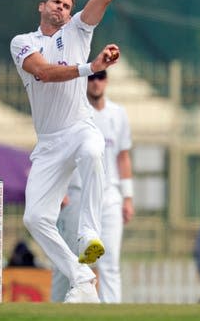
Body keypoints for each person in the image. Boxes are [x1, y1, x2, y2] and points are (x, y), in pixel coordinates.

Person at [9, 0, 119, 303]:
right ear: (42, 6)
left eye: (67, 4)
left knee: (93, 149)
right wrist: (91, 68)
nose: (61, 8)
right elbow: (43, 73)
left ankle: (89, 234)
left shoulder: (79, 29)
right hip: (50, 142)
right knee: (35, 218)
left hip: (79, 127)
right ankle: (82, 280)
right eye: (55, 2)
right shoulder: (23, 42)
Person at [51, 69, 134, 303]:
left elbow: (123, 156)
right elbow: (58, 153)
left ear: (106, 80)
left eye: (100, 77)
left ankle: (110, 313)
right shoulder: (72, 113)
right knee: (68, 262)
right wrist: (59, 190)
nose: (96, 82)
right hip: (77, 195)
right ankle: (56, 311)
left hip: (109, 197)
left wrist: (127, 197)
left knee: (109, 263)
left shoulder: (118, 114)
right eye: (91, 77)